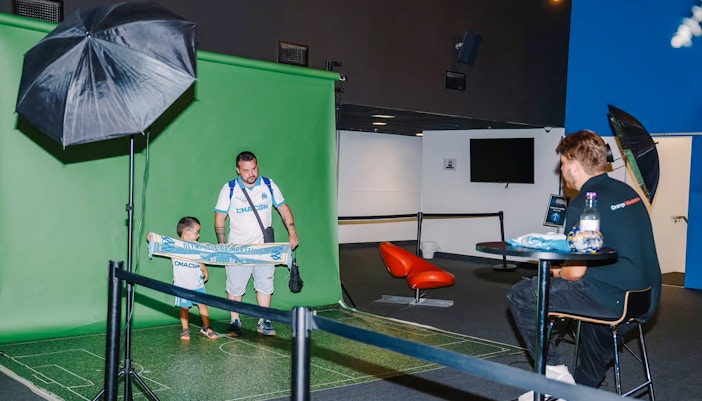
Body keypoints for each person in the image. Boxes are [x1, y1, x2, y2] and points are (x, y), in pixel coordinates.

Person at [507, 130, 661, 400]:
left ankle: (556, 380)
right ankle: (580, 390)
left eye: (564, 164)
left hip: (613, 298)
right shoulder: (627, 192)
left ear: (574, 164)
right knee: (593, 321)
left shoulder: (583, 203)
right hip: (645, 298)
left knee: (522, 295)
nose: (563, 170)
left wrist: (557, 271)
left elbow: (575, 273)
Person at [214, 151, 299, 337]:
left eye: (254, 168)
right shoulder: (229, 189)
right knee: (235, 287)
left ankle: (264, 319)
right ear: (238, 170)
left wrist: (292, 233)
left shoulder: (268, 185)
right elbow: (220, 218)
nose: (251, 173)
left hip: (264, 249)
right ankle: (235, 320)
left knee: (265, 285)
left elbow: (283, 208)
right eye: (246, 170)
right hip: (238, 249)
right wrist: (222, 246)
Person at [169, 217, 218, 341]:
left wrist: (204, 268)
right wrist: (150, 237)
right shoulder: (174, 246)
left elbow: (199, 260)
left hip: (198, 285)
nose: (198, 235)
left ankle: (206, 327)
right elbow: (151, 238)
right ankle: (185, 329)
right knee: (184, 308)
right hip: (182, 286)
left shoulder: (197, 247)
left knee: (203, 304)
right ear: (186, 233)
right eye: (196, 232)